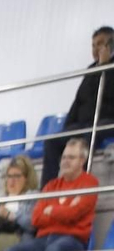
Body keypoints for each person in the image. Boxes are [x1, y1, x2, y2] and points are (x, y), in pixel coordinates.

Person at [5, 138, 100, 251]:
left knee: (53, 250)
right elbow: (36, 218)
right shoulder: (51, 186)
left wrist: (51, 210)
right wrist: (63, 210)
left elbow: (76, 214)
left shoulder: (90, 183)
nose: (65, 161)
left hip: (73, 239)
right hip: (44, 238)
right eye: (64, 157)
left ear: (82, 160)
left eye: (71, 157)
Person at [43, 26, 114, 187]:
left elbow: (107, 93)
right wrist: (67, 129)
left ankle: (80, 185)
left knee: (90, 134)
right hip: (83, 123)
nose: (96, 49)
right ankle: (47, 191)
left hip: (106, 121)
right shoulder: (91, 69)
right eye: (93, 45)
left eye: (100, 44)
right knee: (52, 142)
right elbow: (79, 101)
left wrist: (105, 66)